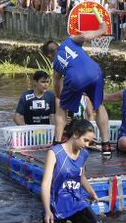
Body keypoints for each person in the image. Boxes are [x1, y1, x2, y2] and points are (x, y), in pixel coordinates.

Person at [41, 21, 112, 154]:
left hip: (76, 77)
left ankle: (57, 142)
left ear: (49, 55)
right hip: (96, 71)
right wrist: (101, 30)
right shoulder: (69, 41)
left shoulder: (56, 63)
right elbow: (85, 36)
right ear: (57, 45)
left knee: (62, 107)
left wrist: (59, 97)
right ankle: (106, 144)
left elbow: (56, 83)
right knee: (99, 105)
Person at [41, 119, 99, 223]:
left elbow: (81, 177)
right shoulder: (54, 153)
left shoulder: (84, 154)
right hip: (56, 205)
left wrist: (92, 193)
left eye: (89, 142)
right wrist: (47, 211)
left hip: (76, 202)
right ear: (76, 134)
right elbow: (46, 184)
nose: (87, 145)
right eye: (85, 140)